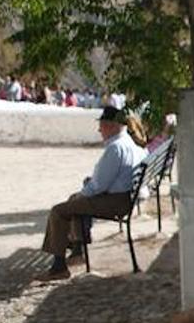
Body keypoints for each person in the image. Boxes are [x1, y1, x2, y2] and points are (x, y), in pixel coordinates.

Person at [35, 106, 147, 282]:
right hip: (125, 198)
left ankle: (59, 266)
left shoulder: (115, 148)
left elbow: (99, 185)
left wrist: (84, 191)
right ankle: (77, 251)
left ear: (110, 126)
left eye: (101, 126)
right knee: (74, 202)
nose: (99, 130)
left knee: (58, 211)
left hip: (115, 202)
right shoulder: (130, 143)